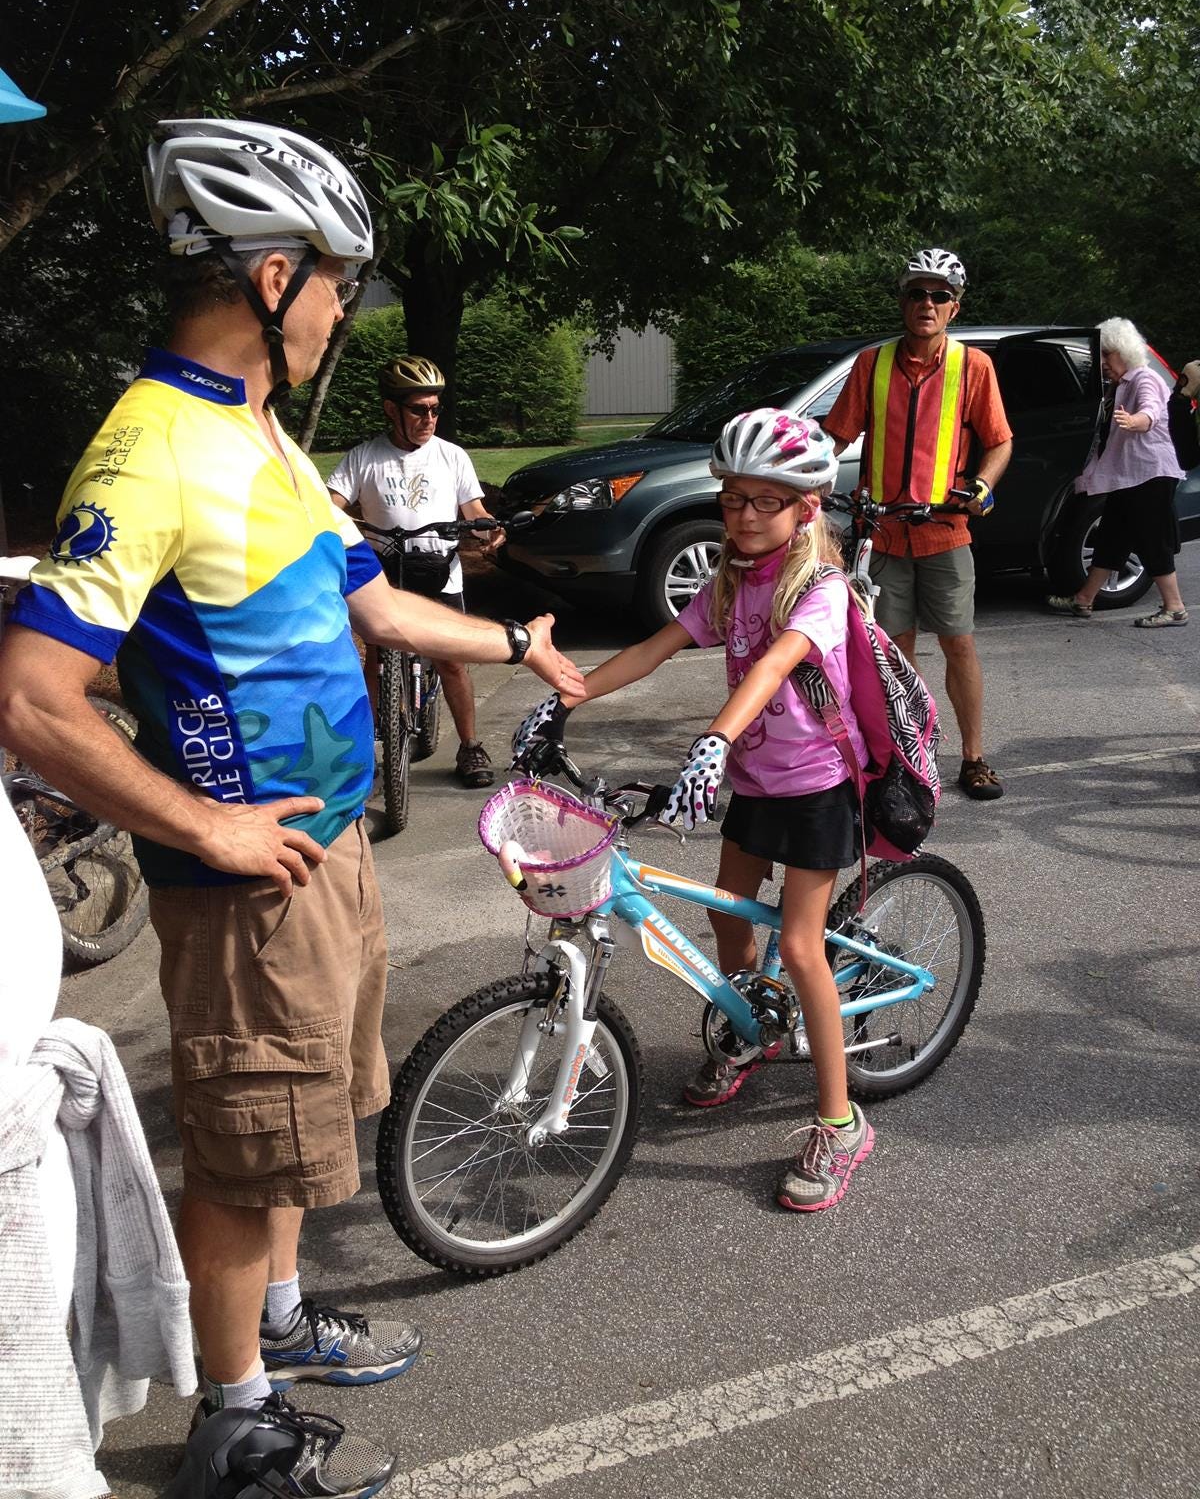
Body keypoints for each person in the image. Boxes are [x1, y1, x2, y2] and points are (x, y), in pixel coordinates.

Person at [0, 116, 584, 1497]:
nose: (341, 309)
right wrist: (203, 830)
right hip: (247, 877)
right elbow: (29, 696)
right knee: (244, 1149)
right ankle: (236, 1429)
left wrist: (516, 646)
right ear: (272, 275)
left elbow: (369, 600)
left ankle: (277, 1320)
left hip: (326, 855)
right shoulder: (151, 447)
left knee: (300, 1132)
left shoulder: (256, 435)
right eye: (336, 281)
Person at [513, 410, 877, 1213]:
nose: (744, 515)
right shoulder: (732, 578)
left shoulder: (816, 587)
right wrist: (567, 694)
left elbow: (778, 664)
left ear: (806, 508)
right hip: (756, 782)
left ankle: (839, 1122)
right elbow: (655, 648)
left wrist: (712, 738)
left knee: (802, 946)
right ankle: (753, 1032)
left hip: (817, 787)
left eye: (766, 502)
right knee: (728, 924)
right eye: (734, 499)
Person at [823, 247, 1013, 801]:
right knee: (896, 650)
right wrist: (807, 483)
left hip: (946, 531)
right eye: (916, 293)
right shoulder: (871, 364)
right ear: (903, 302)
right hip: (882, 532)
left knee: (958, 643)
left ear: (954, 307)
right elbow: (836, 436)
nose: (926, 304)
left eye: (939, 295)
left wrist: (983, 485)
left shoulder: (972, 366)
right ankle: (909, 753)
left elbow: (999, 441)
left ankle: (973, 757)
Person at [328, 354, 502, 787]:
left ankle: (469, 746)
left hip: (441, 570)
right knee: (376, 661)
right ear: (392, 409)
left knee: (452, 663)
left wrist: (489, 532)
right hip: (383, 574)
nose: (429, 418)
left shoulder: (451, 456)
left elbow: (474, 509)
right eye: (418, 410)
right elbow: (329, 506)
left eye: (435, 409)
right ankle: (365, 751)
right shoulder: (364, 458)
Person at [1046, 317, 1187, 627]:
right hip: (1130, 475)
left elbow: (1152, 409)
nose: (1102, 363)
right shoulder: (1118, 386)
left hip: (1151, 473)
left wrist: (1138, 421)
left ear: (1123, 351)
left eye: (1106, 355)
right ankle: (1084, 600)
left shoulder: (1143, 379)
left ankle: (1174, 608)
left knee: (1153, 537)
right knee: (1113, 536)